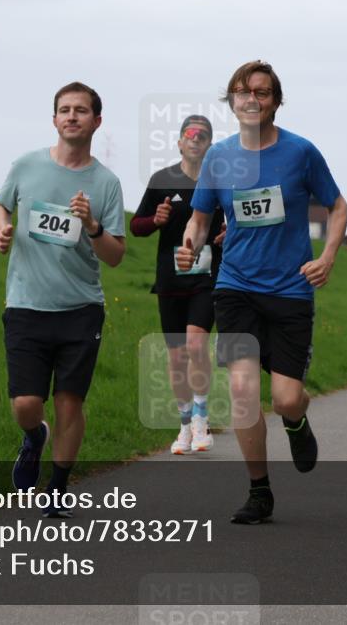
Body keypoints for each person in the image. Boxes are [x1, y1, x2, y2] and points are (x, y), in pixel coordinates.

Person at [177, 60, 347, 524]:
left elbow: (337, 205)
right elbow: (201, 217)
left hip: (291, 289)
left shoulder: (300, 152)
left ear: (275, 100)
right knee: (243, 391)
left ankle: (296, 421)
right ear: (231, 100)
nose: (252, 99)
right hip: (236, 287)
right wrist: (189, 245)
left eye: (262, 92)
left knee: (287, 398)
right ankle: (259, 491)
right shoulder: (218, 157)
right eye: (242, 91)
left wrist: (328, 256)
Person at [0, 82, 126, 518]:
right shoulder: (27, 165)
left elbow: (116, 256)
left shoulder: (105, 183)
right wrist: (2, 227)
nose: (72, 116)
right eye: (64, 110)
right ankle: (34, 437)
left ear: (96, 121)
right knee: (26, 404)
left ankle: (58, 486)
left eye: (81, 111)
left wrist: (91, 226)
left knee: (70, 401)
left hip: (80, 308)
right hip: (27, 303)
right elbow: (0, 205)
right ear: (54, 120)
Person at [131, 115, 225, 454]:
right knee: (176, 358)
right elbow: (136, 226)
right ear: (180, 142)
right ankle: (184, 425)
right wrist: (155, 220)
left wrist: (227, 233)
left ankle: (201, 417)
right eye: (190, 134)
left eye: (203, 135)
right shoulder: (162, 179)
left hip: (207, 277)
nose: (196, 139)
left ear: (210, 145)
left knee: (196, 344)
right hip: (170, 280)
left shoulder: (220, 181)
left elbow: (236, 223)